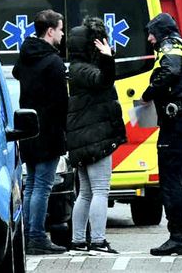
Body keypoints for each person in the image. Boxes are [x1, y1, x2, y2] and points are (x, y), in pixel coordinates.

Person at [142, 13, 182, 256]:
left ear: (162, 32)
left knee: (170, 180)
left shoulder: (169, 46)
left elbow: (169, 70)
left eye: (151, 32)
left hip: (175, 119)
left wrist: (149, 93)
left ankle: (177, 237)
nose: (149, 38)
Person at [65, 17, 127, 254]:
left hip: (84, 138)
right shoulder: (85, 70)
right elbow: (104, 80)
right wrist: (107, 57)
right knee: (100, 190)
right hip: (95, 137)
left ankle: (79, 241)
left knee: (87, 192)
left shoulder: (77, 68)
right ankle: (98, 241)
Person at [12, 9, 68, 255]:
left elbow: (16, 73)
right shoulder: (53, 62)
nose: (62, 34)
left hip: (28, 130)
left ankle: (26, 234)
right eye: (60, 29)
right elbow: (61, 103)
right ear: (50, 31)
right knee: (43, 185)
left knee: (32, 184)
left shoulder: (26, 56)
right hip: (49, 132)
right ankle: (36, 236)